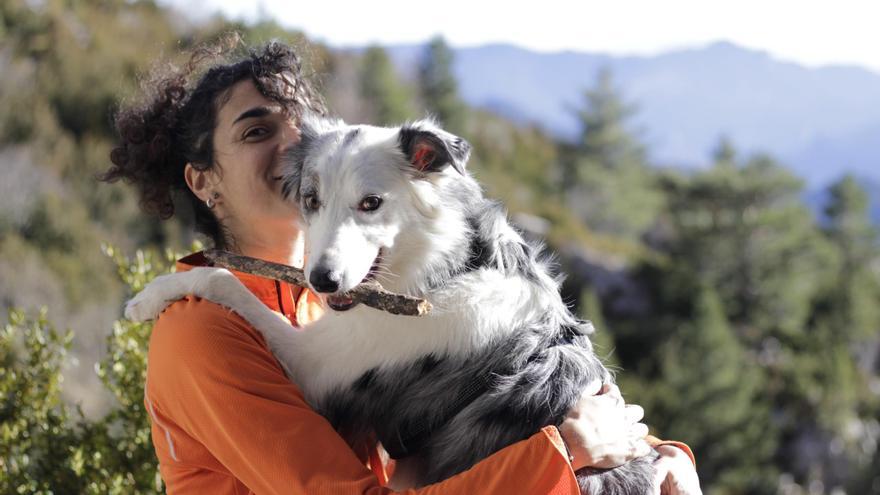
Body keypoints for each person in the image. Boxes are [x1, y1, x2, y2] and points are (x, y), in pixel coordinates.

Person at [101, 35, 700, 494]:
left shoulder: (338, 294)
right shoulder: (198, 328)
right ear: (203, 181)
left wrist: (664, 458)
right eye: (258, 131)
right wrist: (564, 454)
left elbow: (520, 379)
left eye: (300, 126)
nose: (292, 149)